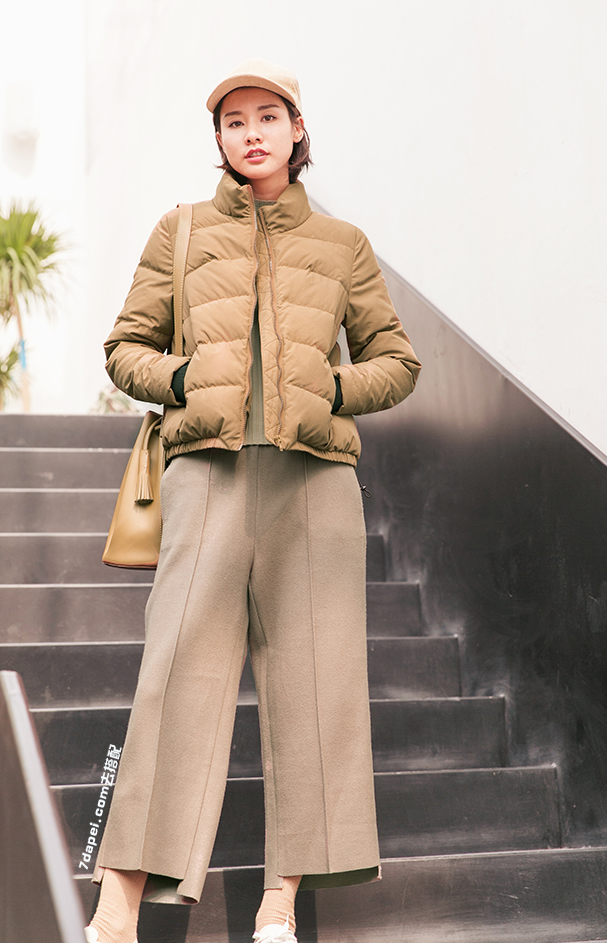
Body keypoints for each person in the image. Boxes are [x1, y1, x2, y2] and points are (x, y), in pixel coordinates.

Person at [85, 58, 421, 943]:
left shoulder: (342, 243)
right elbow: (124, 348)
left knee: (315, 689)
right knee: (172, 678)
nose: (251, 133)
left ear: (296, 129)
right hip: (205, 476)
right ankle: (117, 904)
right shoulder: (181, 231)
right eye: (233, 121)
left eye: (267, 116)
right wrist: (184, 377)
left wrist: (331, 388)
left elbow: (397, 361)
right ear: (220, 139)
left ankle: (279, 901)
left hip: (314, 488)